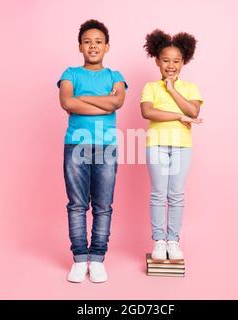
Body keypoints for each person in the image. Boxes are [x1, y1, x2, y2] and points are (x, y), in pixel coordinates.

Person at [57, 19, 128, 282]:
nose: (93, 46)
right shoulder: (70, 73)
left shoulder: (115, 76)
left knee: (103, 205)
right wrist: (103, 104)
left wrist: (81, 99)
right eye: (87, 41)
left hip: (106, 146)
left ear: (107, 46)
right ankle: (79, 258)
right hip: (76, 144)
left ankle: (97, 258)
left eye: (98, 41)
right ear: (80, 46)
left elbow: (117, 102)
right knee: (77, 204)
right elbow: (66, 101)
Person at [140, 29, 203, 260]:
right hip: (156, 144)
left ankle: (173, 241)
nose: (171, 65)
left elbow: (193, 110)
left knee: (176, 194)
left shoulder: (190, 88)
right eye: (166, 60)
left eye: (176, 61)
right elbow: (148, 112)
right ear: (157, 60)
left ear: (183, 61)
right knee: (158, 194)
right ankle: (159, 240)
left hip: (182, 146)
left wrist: (172, 89)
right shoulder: (150, 87)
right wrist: (177, 116)